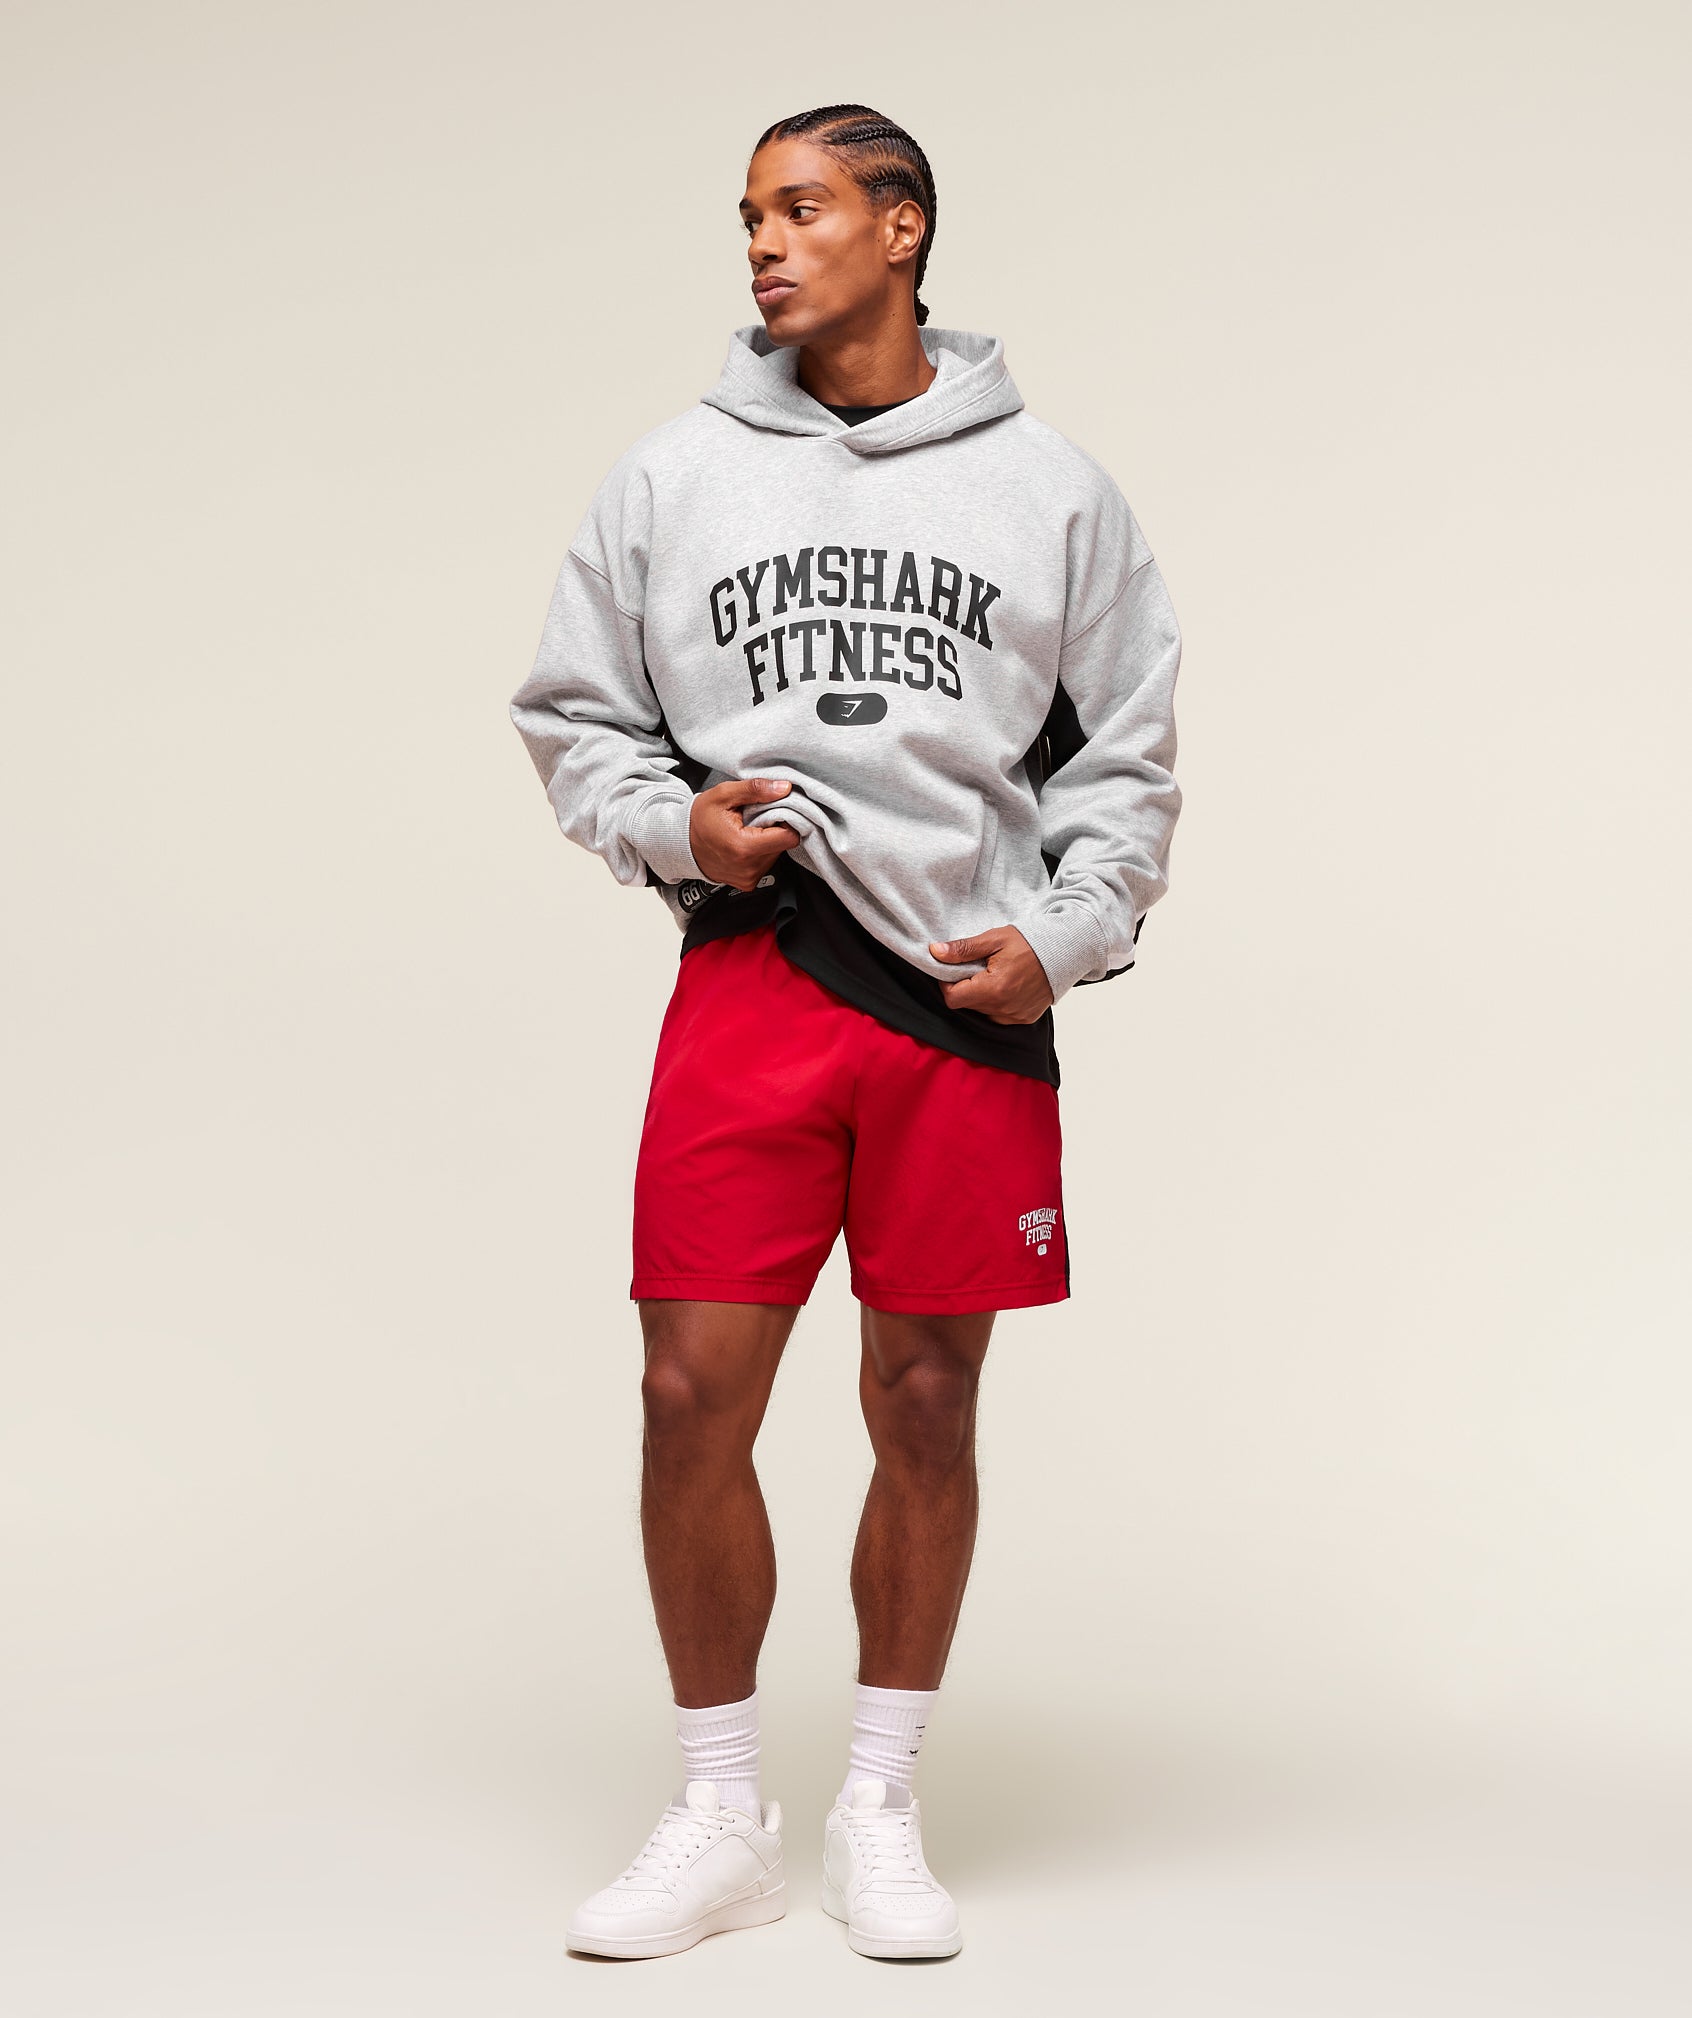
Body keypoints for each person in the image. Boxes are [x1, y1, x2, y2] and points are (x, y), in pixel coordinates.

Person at [510, 102, 1182, 1963]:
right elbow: (576, 717)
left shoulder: (1054, 489)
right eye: (749, 215)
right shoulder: (671, 477)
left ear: (903, 227)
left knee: (926, 1398)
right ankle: (721, 1811)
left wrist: (1066, 938)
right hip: (757, 970)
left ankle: (880, 1800)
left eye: (801, 209)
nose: (763, 244)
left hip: (959, 996)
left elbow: (1127, 761)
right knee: (685, 1391)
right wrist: (677, 825)